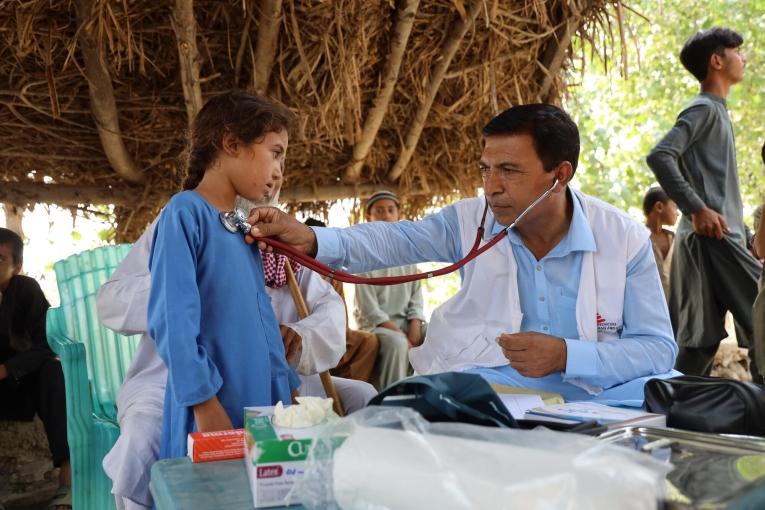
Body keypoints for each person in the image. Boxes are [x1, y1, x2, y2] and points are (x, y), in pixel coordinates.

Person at [246, 103, 680, 407]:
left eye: (509, 170)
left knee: (675, 402)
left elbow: (658, 350)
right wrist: (315, 240)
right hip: (490, 387)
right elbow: (396, 240)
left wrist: (568, 355)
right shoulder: (471, 220)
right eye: (485, 169)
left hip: (601, 396)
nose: (491, 186)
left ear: (560, 174)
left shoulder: (624, 239)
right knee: (401, 414)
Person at [98, 209, 376, 510]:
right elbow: (111, 302)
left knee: (363, 397)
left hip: (274, 377)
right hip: (169, 379)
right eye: (270, 158)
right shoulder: (180, 221)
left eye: (280, 160)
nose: (277, 173)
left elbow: (330, 311)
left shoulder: (277, 240)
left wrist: (301, 335)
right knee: (141, 435)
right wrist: (186, 280)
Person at [147, 90, 300, 462]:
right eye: (275, 152)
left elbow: (262, 319)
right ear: (231, 142)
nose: (280, 171)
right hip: (211, 404)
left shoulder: (241, 226)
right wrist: (203, 401)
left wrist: (286, 387)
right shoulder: (185, 213)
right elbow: (173, 319)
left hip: (259, 401)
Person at [646, 27, 761, 379]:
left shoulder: (719, 113)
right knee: (763, 319)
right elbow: (661, 155)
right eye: (737, 51)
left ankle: (667, 409)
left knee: (698, 343)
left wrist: (746, 234)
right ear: (717, 60)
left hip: (717, 238)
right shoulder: (704, 109)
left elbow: (721, 189)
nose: (743, 58)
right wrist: (696, 208)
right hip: (714, 240)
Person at [0, 227, 71, 510]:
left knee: (52, 372)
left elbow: (47, 345)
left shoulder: (27, 290)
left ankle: (67, 480)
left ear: (16, 266)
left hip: (19, 386)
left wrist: (6, 369)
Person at [353, 190, 427, 389]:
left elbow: (416, 300)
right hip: (376, 327)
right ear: (369, 218)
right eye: (379, 211)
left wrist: (414, 327)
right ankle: (391, 400)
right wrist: (403, 336)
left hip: (405, 324)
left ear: (398, 215)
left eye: (390, 210)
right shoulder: (364, 259)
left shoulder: (409, 257)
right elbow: (370, 311)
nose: (386, 215)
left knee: (438, 331)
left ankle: (433, 391)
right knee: (397, 343)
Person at [305, 218, 381, 386]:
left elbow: (341, 317)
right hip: (305, 332)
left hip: (334, 329)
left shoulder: (332, 273)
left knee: (369, 341)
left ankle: (349, 386)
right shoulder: (296, 268)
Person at [643, 187, 678, 301]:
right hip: (648, 308)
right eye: (674, 206)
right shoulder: (638, 240)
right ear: (659, 207)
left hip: (676, 311)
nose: (677, 213)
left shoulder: (675, 239)